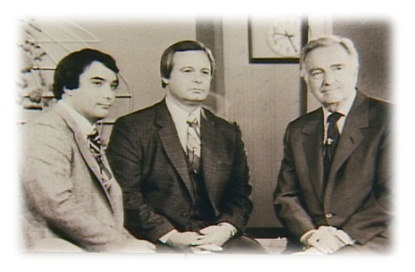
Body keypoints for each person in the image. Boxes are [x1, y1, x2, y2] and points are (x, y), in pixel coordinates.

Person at [107, 40, 264, 253]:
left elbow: (240, 195)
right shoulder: (132, 128)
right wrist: (171, 236)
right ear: (165, 77)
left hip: (216, 238)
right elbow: (127, 196)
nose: (198, 79)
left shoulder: (228, 132)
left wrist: (225, 229)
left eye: (205, 72)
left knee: (256, 255)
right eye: (187, 71)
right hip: (158, 239)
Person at [20, 48, 155, 253]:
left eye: (112, 86)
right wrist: (121, 245)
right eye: (97, 83)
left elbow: (101, 211)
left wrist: (130, 241)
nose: (109, 95)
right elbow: (55, 205)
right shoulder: (46, 130)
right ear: (68, 87)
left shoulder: (83, 132)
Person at [273, 35, 392, 255]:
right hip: (312, 239)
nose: (328, 80)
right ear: (306, 79)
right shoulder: (297, 130)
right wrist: (311, 235)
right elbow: (286, 196)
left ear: (354, 72)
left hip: (370, 239)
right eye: (317, 73)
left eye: (337, 68)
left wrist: (341, 237)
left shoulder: (390, 118)